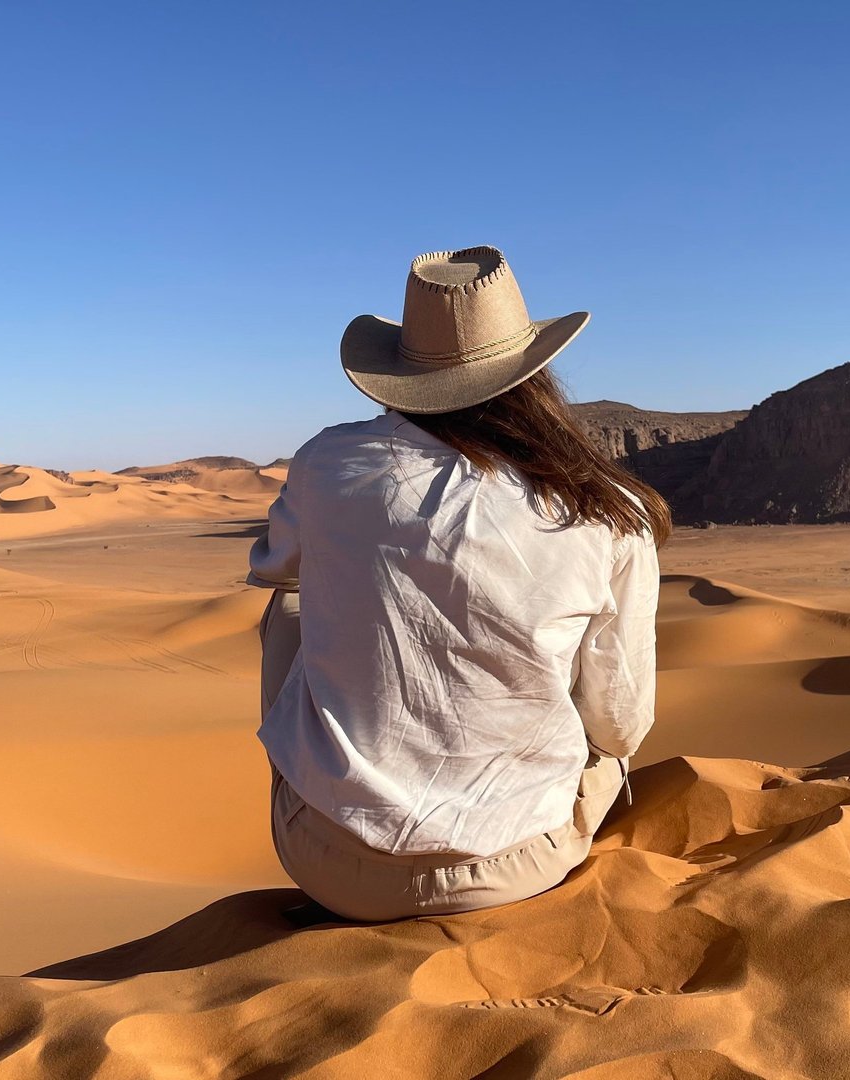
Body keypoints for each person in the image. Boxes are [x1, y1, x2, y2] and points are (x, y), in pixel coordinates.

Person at [248, 245, 667, 922]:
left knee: (290, 606)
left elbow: (273, 567)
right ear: (534, 370)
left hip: (329, 861)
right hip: (522, 862)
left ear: (402, 373)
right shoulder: (609, 511)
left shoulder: (327, 461)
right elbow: (620, 727)